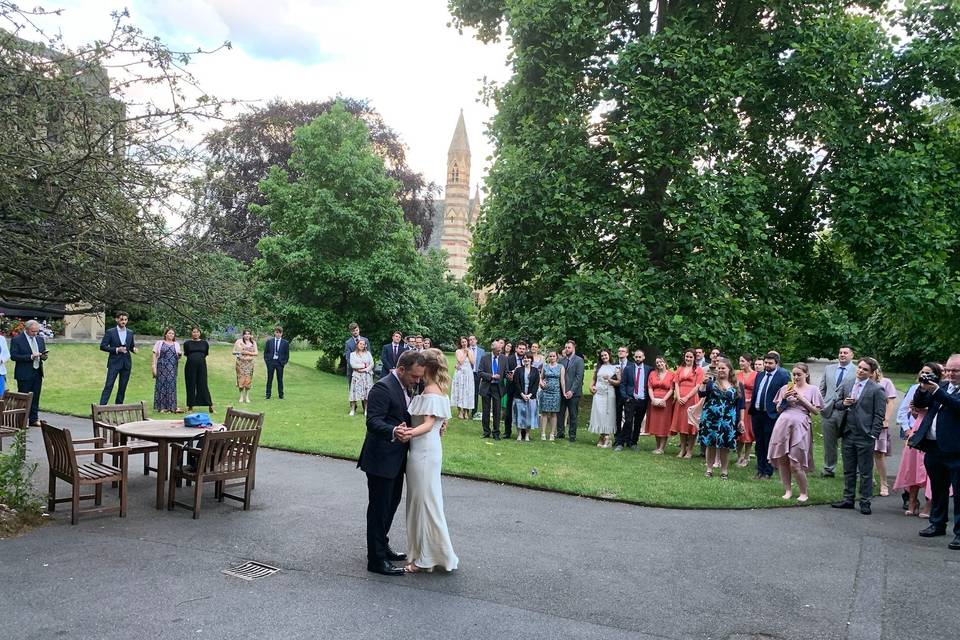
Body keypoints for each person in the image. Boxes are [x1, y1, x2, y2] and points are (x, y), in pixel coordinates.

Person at [359, 349, 426, 575]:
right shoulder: (383, 387)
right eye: (414, 377)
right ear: (401, 370)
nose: (417, 381)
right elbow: (373, 422)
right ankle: (376, 560)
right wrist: (393, 430)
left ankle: (382, 546)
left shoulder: (404, 386)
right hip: (380, 459)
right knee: (379, 509)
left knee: (391, 503)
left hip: (396, 458)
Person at [403, 348, 457, 572]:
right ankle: (423, 552)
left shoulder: (432, 392)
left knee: (425, 503)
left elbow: (426, 425)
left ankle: (425, 558)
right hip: (425, 450)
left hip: (424, 453)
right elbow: (438, 425)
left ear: (427, 367)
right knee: (424, 501)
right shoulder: (437, 390)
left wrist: (406, 433)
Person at [909, 353, 960, 550]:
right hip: (934, 446)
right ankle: (937, 523)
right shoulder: (944, 386)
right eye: (948, 370)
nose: (950, 374)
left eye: (955, 370)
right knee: (938, 489)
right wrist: (922, 389)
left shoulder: (943, 390)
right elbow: (921, 405)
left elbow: (956, 406)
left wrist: (938, 392)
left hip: (956, 449)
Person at [831, 357, 887, 515]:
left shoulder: (876, 389)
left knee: (865, 471)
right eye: (860, 367)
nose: (861, 371)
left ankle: (865, 501)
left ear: (871, 373)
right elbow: (836, 403)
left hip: (865, 435)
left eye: (865, 369)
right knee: (848, 469)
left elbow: (879, 414)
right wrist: (844, 404)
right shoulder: (848, 384)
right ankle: (848, 498)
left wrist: (872, 434)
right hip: (848, 432)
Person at [768, 362, 823, 502]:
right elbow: (778, 410)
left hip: (800, 425)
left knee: (795, 462)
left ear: (806, 374)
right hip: (783, 423)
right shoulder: (785, 388)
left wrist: (801, 398)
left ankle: (803, 492)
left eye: (799, 374)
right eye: (794, 375)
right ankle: (787, 490)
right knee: (782, 459)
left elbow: (816, 411)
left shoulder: (813, 390)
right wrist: (785, 399)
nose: (796, 377)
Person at [895, 363, 942, 517]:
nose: (925, 376)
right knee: (912, 466)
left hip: (935, 429)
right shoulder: (915, 389)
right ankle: (912, 501)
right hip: (917, 429)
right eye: (923, 372)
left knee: (931, 470)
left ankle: (929, 504)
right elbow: (905, 410)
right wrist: (908, 429)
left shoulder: (940, 390)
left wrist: (926, 410)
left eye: (929, 373)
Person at [696, 357, 743, 479]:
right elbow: (701, 394)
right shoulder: (711, 383)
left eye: (723, 368)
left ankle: (724, 471)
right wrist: (703, 383)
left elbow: (740, 405)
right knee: (710, 444)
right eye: (719, 368)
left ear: (729, 370)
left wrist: (741, 420)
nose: (721, 370)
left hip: (728, 420)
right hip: (711, 418)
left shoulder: (737, 384)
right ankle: (709, 469)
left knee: (725, 446)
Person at [749, 352, 791, 479]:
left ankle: (768, 471)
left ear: (776, 363)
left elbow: (788, 393)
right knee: (759, 443)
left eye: (770, 363)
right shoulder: (760, 375)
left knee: (768, 443)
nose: (767, 365)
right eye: (765, 363)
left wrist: (780, 409)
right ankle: (760, 469)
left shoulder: (783, 375)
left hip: (771, 415)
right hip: (757, 413)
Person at [818, 345, 855, 477]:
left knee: (849, 443)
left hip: (848, 412)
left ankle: (850, 471)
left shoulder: (857, 371)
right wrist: (822, 403)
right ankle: (829, 469)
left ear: (852, 355)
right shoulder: (829, 369)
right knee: (829, 443)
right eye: (840, 353)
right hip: (828, 411)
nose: (842, 355)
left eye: (845, 353)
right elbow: (822, 388)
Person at [9, 320, 47, 425]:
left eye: (37, 331)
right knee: (24, 397)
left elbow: (42, 353)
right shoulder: (17, 340)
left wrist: (43, 356)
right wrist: (30, 357)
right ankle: (22, 420)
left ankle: (33, 419)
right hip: (24, 373)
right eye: (33, 331)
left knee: (35, 396)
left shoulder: (40, 339)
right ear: (26, 329)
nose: (35, 333)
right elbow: (14, 356)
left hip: (37, 372)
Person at [869, 364, 899, 497]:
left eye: (869, 370)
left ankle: (884, 483)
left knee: (879, 454)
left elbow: (890, 402)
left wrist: (885, 419)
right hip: (864, 423)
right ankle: (869, 479)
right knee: (865, 452)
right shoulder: (861, 383)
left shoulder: (885, 382)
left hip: (879, 423)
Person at [670, 349, 704, 458]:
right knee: (682, 424)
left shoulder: (698, 370)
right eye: (687, 356)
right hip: (680, 399)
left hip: (692, 398)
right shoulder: (680, 369)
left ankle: (690, 451)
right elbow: (676, 384)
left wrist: (687, 397)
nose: (688, 359)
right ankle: (682, 449)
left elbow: (698, 385)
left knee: (691, 425)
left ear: (694, 358)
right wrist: (679, 396)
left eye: (690, 357)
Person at [99, 311, 137, 405]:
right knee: (109, 385)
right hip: (114, 362)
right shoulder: (110, 332)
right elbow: (103, 346)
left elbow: (131, 346)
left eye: (125, 320)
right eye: (121, 320)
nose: (123, 322)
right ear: (117, 320)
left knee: (122, 387)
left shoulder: (130, 333)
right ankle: (101, 408)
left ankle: (118, 407)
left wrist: (134, 349)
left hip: (126, 363)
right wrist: (116, 349)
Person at [617, 349, 651, 451]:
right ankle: (621, 442)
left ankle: (633, 443)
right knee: (628, 421)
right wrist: (626, 397)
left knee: (638, 423)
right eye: (636, 357)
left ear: (644, 357)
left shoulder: (649, 369)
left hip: (642, 400)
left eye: (640, 357)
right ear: (634, 357)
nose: (638, 359)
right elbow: (623, 384)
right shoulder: (628, 369)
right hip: (630, 399)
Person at [477, 339, 508, 439]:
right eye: (498, 350)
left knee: (497, 411)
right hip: (487, 386)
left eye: (501, 349)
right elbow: (480, 372)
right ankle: (486, 432)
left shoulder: (504, 358)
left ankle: (496, 433)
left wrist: (509, 376)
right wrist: (492, 376)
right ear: (493, 349)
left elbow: (506, 372)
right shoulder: (485, 357)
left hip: (498, 388)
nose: (500, 351)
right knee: (486, 410)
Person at [589, 349, 620, 448]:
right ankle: (601, 436)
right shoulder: (597, 367)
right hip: (598, 394)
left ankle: (607, 437)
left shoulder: (615, 367)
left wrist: (609, 379)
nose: (604, 357)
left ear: (609, 355)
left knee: (608, 414)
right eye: (602, 356)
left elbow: (619, 381)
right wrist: (591, 387)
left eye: (605, 355)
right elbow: (593, 380)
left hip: (609, 393)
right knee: (599, 414)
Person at [557, 340, 585, 442]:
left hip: (574, 393)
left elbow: (579, 377)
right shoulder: (561, 361)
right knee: (560, 413)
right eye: (566, 347)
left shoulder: (579, 360)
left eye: (569, 347)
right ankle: (560, 433)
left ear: (573, 348)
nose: (567, 349)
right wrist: (563, 390)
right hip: (561, 391)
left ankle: (572, 435)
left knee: (573, 415)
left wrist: (571, 391)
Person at [646, 356, 675, 454]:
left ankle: (662, 448)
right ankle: (657, 446)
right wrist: (652, 399)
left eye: (661, 362)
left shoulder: (671, 375)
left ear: (665, 363)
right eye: (657, 363)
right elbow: (650, 387)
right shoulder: (652, 374)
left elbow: (672, 389)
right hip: (654, 400)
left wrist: (664, 400)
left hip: (666, 401)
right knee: (656, 424)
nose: (659, 364)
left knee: (663, 424)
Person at [151, 328, 182, 413]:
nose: (171, 335)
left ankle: (171, 407)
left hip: (172, 367)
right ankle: (161, 407)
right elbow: (154, 354)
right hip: (161, 366)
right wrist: (153, 366)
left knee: (171, 386)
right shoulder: (159, 343)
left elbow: (178, 356)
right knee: (161, 385)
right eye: (169, 333)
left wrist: (180, 355)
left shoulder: (176, 344)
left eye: (172, 333)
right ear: (165, 334)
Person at [183, 327, 213, 413]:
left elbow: (205, 353)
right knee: (190, 384)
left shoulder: (204, 343)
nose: (195, 334)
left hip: (202, 366)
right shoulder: (187, 343)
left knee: (203, 384)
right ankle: (190, 406)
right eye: (194, 332)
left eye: (197, 332)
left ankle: (209, 405)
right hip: (190, 366)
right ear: (191, 333)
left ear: (200, 333)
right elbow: (187, 354)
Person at [511, 352, 540, 442]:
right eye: (524, 358)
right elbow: (516, 383)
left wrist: (530, 394)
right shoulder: (519, 370)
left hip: (531, 397)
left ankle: (527, 435)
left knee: (529, 416)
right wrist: (522, 394)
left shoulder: (535, 371)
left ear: (531, 359)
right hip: (519, 396)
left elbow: (536, 384)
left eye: (528, 358)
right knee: (519, 415)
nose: (526, 359)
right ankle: (519, 434)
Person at [735, 354, 757, 467]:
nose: (740, 363)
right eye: (740, 361)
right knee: (739, 431)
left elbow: (758, 391)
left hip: (750, 406)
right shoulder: (737, 375)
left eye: (743, 361)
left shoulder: (756, 375)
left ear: (749, 362)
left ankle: (747, 456)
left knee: (749, 431)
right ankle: (739, 456)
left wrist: (750, 399)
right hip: (740, 405)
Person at [539, 351, 564, 441]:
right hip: (545, 392)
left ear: (556, 357)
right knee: (544, 412)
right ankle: (543, 433)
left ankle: (552, 433)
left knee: (554, 413)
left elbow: (562, 380)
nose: (552, 357)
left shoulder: (561, 367)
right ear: (548, 357)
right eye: (550, 356)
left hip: (555, 393)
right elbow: (541, 378)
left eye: (554, 356)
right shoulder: (545, 366)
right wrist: (541, 383)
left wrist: (564, 392)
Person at [503, 341, 524, 439]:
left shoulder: (527, 359)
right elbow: (506, 372)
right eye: (520, 348)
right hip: (511, 388)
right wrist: (509, 377)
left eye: (523, 349)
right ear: (516, 349)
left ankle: (523, 433)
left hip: (523, 389)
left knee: (523, 411)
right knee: (509, 411)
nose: (522, 350)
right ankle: (507, 432)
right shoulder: (509, 359)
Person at [451, 336, 476, 419]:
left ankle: (466, 411)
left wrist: (468, 352)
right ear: (460, 343)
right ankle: (460, 411)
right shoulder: (458, 351)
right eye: (462, 342)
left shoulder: (470, 350)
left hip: (468, 374)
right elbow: (460, 361)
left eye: (465, 341)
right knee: (459, 391)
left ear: (467, 342)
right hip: (460, 374)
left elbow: (473, 362)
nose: (464, 343)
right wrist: (465, 353)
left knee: (467, 392)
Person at [349, 338, 375, 416]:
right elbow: (353, 365)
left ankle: (366, 410)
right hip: (356, 376)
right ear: (357, 344)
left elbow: (372, 363)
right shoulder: (352, 354)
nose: (362, 345)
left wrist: (365, 369)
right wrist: (363, 365)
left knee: (366, 393)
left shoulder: (368, 353)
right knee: (354, 393)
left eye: (363, 344)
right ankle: (353, 410)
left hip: (366, 376)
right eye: (360, 344)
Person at [263, 326, 290, 399]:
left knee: (280, 379)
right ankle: (268, 395)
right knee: (269, 379)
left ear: (282, 334)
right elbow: (266, 353)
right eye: (277, 332)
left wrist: (283, 363)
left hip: (280, 363)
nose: (278, 334)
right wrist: (267, 362)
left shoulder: (285, 343)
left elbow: (287, 355)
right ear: (274, 333)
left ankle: (281, 395)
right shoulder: (269, 342)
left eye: (280, 333)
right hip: (271, 363)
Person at [232, 329, 258, 404]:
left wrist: (248, 352)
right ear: (243, 335)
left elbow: (256, 353)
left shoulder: (253, 343)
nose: (247, 335)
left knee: (248, 380)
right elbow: (233, 351)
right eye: (245, 334)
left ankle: (247, 396)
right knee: (241, 379)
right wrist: (240, 352)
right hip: (240, 363)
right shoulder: (239, 342)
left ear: (250, 335)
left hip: (249, 364)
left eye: (248, 334)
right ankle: (241, 396)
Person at [343, 323, 368, 387]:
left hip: (365, 370)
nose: (355, 332)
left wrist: (365, 367)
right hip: (352, 371)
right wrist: (356, 367)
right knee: (353, 392)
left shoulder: (366, 340)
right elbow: (348, 358)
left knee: (365, 391)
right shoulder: (348, 343)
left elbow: (368, 354)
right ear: (351, 332)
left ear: (359, 329)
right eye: (353, 331)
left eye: (356, 330)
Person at [614, 346, 630, 438]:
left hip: (628, 394)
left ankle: (627, 437)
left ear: (627, 353)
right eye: (619, 351)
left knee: (628, 417)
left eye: (623, 351)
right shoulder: (613, 365)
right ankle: (618, 437)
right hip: (616, 394)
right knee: (617, 417)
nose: (620, 352)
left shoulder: (631, 365)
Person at [468, 335, 485, 420]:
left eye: (473, 339)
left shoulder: (482, 351)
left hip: (477, 374)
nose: (471, 341)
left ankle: (474, 412)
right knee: (467, 392)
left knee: (476, 393)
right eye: (470, 340)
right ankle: (466, 410)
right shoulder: (466, 350)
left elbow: (484, 363)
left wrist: (482, 375)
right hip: (468, 373)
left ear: (476, 340)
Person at [0, 331, 9, 397]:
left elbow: (7, 354)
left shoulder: (2, 339)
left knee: (1, 396)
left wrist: (1, 360)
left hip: (0, 372)